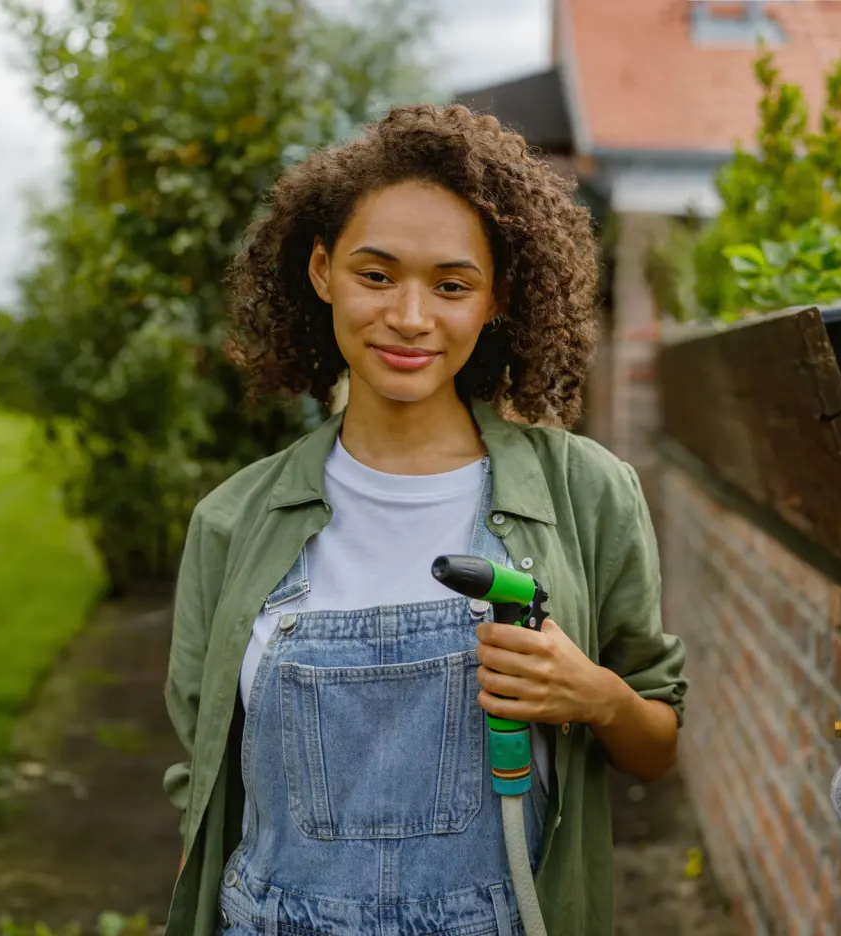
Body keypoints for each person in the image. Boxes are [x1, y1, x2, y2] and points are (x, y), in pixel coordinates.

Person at [161, 103, 688, 936]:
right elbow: (204, 771)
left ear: (496, 300)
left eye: (451, 285)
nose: (410, 317)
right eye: (376, 275)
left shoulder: (587, 493)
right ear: (322, 270)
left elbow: (656, 745)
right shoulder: (233, 522)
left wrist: (593, 695)